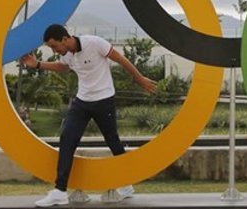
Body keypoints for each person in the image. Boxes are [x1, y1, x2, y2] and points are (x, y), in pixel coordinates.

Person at [21, 24, 157, 207]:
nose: (54, 50)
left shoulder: (94, 43)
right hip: (82, 101)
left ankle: (127, 183)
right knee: (67, 138)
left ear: (65, 39)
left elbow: (121, 59)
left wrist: (140, 79)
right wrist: (37, 64)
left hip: (104, 99)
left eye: (54, 46)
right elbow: (63, 68)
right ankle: (60, 191)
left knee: (113, 141)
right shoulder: (67, 55)